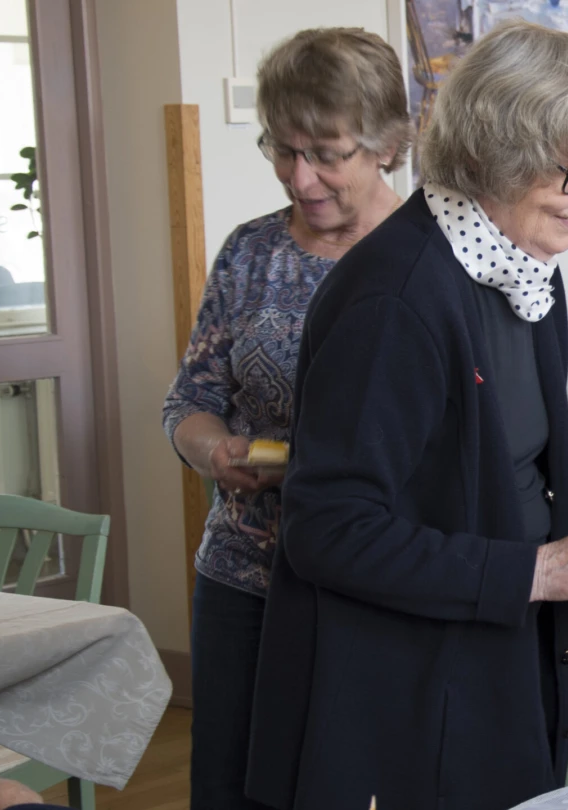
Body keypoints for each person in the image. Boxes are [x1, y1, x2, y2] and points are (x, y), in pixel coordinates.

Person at [244, 22, 568, 810]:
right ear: (493, 155)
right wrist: (540, 571)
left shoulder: (522, 268)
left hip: (485, 668)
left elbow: (534, 462)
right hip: (395, 701)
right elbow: (328, 529)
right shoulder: (396, 297)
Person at [160, 27, 409, 810]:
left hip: (375, 583)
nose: (301, 178)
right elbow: (189, 398)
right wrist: (211, 451)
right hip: (243, 574)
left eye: (327, 153)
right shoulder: (250, 252)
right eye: (283, 150)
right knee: (228, 789)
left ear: (386, 145)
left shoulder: (425, 259)